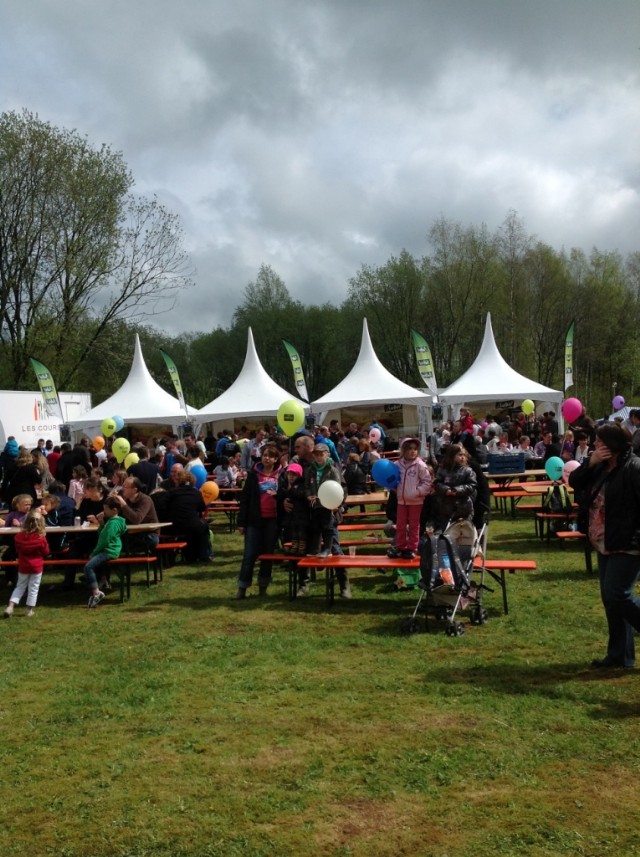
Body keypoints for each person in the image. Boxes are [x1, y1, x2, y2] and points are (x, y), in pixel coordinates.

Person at [569, 423, 640, 669]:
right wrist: (590, 462)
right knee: (610, 600)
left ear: (613, 444)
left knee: (617, 593)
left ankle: (621, 654)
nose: (594, 444)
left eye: (599, 441)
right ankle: (620, 656)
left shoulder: (634, 467)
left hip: (628, 541)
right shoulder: (599, 465)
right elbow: (575, 482)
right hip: (603, 540)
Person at [235, 443, 283, 599]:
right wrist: (241, 522)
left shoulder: (281, 475)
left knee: (267, 555)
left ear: (276, 459)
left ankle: (263, 587)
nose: (267, 458)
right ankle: (242, 588)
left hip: (273, 521)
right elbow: (245, 499)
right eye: (264, 455)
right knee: (249, 555)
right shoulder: (253, 475)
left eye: (270, 456)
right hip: (254, 520)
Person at [387, 438, 433, 560]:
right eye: (409, 449)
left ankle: (412, 548)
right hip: (401, 500)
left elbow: (427, 481)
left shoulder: (420, 465)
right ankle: (400, 547)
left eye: (415, 449)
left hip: (416, 501)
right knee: (400, 524)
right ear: (403, 450)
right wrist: (392, 487)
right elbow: (391, 478)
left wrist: (417, 492)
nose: (413, 451)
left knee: (414, 525)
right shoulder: (397, 465)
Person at [3, 509, 49, 618]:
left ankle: (10, 606)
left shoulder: (18, 537)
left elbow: (17, 550)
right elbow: (46, 552)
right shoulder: (41, 538)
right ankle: (29, 610)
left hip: (23, 565)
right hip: (36, 566)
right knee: (33, 588)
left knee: (19, 587)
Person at [84, 497, 128, 608]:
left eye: (106, 509)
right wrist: (101, 522)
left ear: (114, 510)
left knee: (88, 567)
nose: (104, 512)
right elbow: (103, 533)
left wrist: (94, 553)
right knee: (91, 566)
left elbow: (104, 540)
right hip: (111, 549)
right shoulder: (113, 522)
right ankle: (99, 586)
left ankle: (96, 593)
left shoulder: (113, 523)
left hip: (109, 550)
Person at [166, 470, 211, 563]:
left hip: (174, 526)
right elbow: (202, 507)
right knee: (204, 527)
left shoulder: (171, 492)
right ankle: (204, 555)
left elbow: (164, 506)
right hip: (192, 525)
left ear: (178, 481)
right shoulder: (196, 493)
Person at [433, 443, 477, 531]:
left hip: (464, 507)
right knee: (447, 532)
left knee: (463, 532)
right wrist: (446, 490)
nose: (462, 457)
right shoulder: (442, 469)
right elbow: (437, 483)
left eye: (464, 455)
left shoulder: (468, 471)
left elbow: (472, 485)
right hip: (446, 508)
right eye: (460, 455)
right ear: (451, 455)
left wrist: (457, 490)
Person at [278, 462, 308, 556]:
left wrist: (291, 491)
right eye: (289, 474)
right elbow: (282, 496)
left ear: (298, 475)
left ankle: (301, 548)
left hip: (301, 514)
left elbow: (301, 495)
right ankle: (294, 547)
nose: (291, 477)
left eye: (293, 475)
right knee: (294, 532)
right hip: (292, 516)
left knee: (301, 532)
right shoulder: (285, 485)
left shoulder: (301, 485)